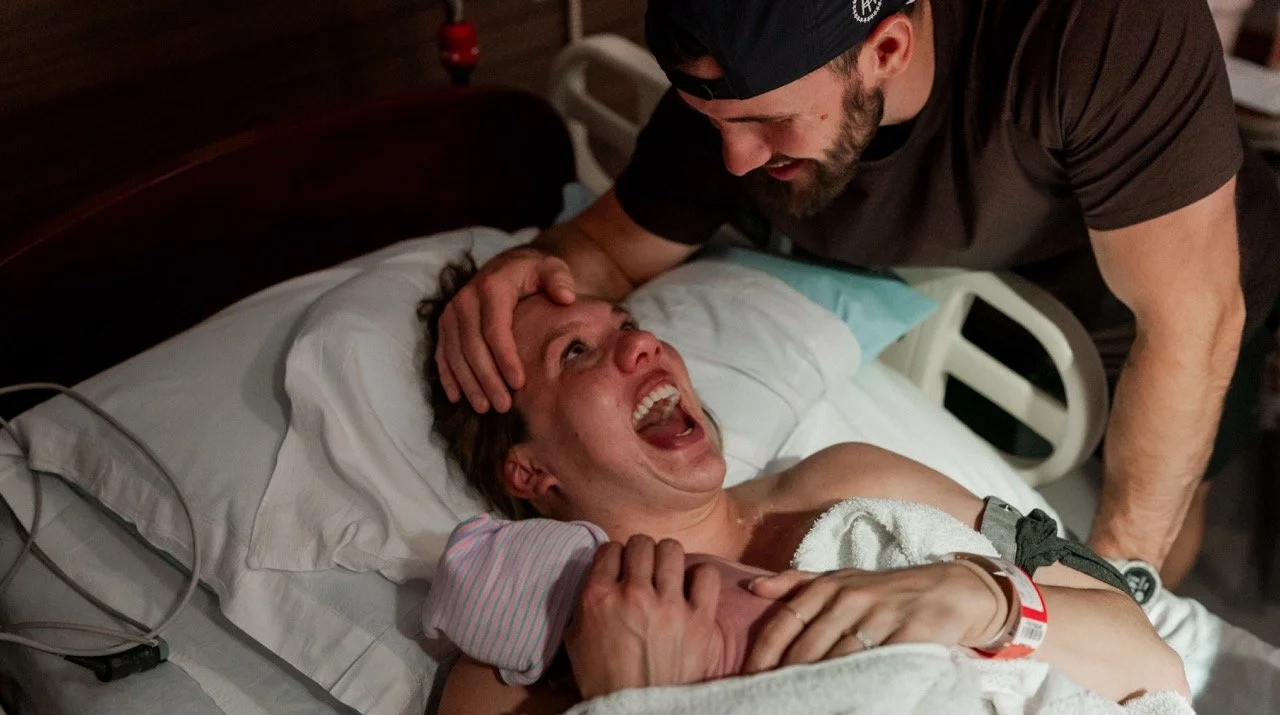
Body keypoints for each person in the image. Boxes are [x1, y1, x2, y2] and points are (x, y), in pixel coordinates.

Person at [432, 0, 1280, 591]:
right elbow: (607, 248)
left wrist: (1113, 590)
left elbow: (1190, 320)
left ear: (888, 50)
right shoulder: (740, 87)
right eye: (713, 122)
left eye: (768, 124)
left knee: (1160, 506)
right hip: (967, 269)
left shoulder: (1097, 28)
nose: (734, 160)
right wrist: (530, 268)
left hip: (1155, 273)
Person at [404, 255, 1190, 715]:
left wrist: (983, 599)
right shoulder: (521, 660)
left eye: (629, 326)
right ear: (529, 470)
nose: (642, 347)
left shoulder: (849, 484)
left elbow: (1154, 668)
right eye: (574, 353)